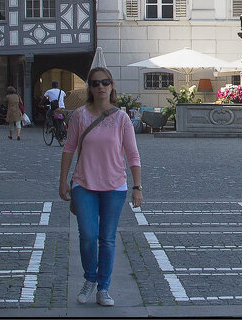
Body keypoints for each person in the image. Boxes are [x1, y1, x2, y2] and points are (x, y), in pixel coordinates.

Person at [59, 67, 143, 307]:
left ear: (112, 85)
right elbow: (69, 149)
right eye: (95, 83)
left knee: (106, 238)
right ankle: (89, 279)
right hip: (83, 184)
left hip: (115, 187)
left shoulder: (122, 118)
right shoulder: (79, 116)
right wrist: (63, 181)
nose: (101, 87)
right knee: (88, 235)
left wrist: (137, 186)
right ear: (90, 88)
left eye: (105, 82)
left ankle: (103, 287)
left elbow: (133, 155)